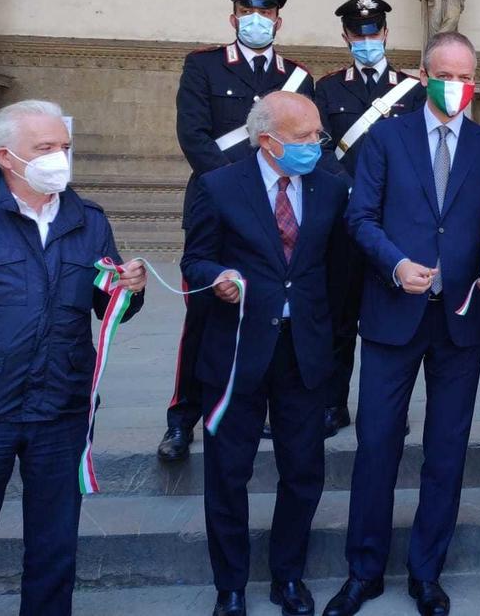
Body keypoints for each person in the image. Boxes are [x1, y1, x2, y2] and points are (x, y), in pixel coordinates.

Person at [328, 31, 480, 616]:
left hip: (461, 319)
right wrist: (396, 263)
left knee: (447, 450)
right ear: (422, 74)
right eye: (445, 74)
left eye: (465, 77)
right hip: (393, 316)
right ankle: (363, 572)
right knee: (377, 444)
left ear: (475, 83)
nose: (455, 85)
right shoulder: (386, 138)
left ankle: (426, 573)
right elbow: (360, 218)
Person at [182, 92, 349, 616]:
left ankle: (288, 578)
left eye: (317, 134)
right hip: (235, 354)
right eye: (303, 137)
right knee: (228, 474)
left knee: (303, 472)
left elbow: (340, 273)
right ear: (267, 140)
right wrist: (219, 278)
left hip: (304, 355)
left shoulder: (333, 188)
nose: (315, 146)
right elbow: (195, 261)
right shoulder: (217, 186)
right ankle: (230, 586)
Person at [0, 100, 146, 616]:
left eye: (64, 148)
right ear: (7, 157)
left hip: (61, 407)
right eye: (45, 148)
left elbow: (110, 305)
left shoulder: (87, 219)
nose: (60, 159)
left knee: (54, 551)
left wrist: (129, 289)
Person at [164, 0, 316, 462]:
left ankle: (260, 403)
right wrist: (236, 192)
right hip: (215, 208)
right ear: (234, 17)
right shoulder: (203, 66)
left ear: (279, 20)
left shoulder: (296, 78)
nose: (257, 19)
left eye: (265, 11)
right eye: (247, 11)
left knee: (269, 310)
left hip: (278, 213)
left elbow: (297, 140)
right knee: (206, 313)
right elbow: (195, 136)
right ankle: (184, 417)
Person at [314, 0, 425, 437]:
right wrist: (351, 189)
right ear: (345, 37)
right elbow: (319, 147)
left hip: (392, 223)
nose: (365, 40)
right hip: (342, 220)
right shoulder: (327, 89)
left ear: (385, 34)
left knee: (388, 321)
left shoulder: (412, 90)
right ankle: (332, 403)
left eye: (372, 32)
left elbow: (418, 151)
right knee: (338, 317)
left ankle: (386, 409)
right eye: (357, 33)